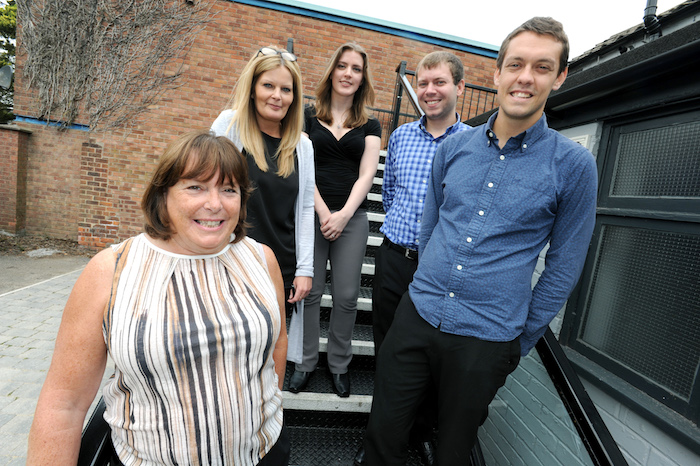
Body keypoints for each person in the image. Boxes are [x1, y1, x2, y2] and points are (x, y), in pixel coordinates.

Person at [364, 17, 598, 466]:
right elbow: (430, 228)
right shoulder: (454, 148)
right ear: (497, 73)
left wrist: (516, 341)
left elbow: (565, 267)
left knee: (454, 451)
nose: (525, 77)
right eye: (516, 64)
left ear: (560, 76)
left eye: (542, 67)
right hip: (418, 314)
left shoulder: (572, 166)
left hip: (487, 338)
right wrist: (423, 287)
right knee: (382, 435)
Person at [27, 131, 290, 465]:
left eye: (229, 189)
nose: (215, 203)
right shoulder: (111, 271)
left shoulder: (260, 259)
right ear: (163, 195)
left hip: (262, 455)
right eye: (196, 186)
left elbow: (277, 344)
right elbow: (64, 403)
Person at [355, 51, 468, 466]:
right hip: (394, 261)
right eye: (422, 83)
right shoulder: (400, 136)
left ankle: (417, 435)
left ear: (458, 87)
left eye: (439, 82)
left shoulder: (471, 145)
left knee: (430, 359)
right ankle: (381, 442)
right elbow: (390, 195)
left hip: (439, 270)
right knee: (388, 352)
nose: (429, 90)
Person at [288, 42, 381, 398]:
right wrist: (325, 212)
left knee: (345, 295)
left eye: (356, 69)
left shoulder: (370, 124)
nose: (348, 73)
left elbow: (367, 173)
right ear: (333, 71)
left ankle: (339, 365)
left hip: (352, 219)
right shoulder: (309, 117)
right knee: (309, 294)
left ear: (362, 78)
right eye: (343, 66)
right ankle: (305, 363)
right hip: (313, 215)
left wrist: (343, 215)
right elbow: (302, 168)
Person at [211, 46, 314, 319]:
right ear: (253, 87)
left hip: (282, 268)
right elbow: (206, 192)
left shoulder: (302, 146)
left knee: (273, 352)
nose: (277, 96)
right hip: (230, 260)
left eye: (286, 89)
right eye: (268, 85)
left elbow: (305, 210)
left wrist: (305, 269)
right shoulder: (229, 127)